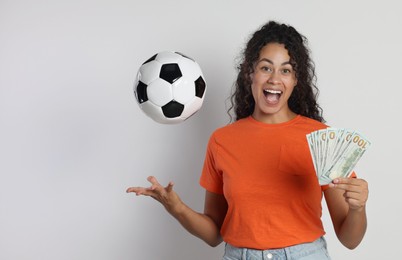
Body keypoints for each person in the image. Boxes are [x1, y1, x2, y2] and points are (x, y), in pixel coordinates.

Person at [127, 21, 369, 259]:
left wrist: (358, 208)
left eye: (285, 70)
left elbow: (350, 240)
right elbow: (214, 234)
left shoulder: (322, 139)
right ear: (249, 73)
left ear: (296, 80)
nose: (275, 78)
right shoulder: (222, 141)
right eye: (266, 68)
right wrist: (176, 208)